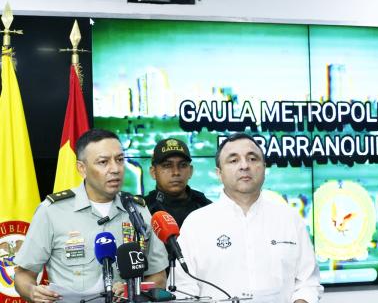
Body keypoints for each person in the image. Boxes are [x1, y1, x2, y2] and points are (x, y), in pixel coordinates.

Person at [14, 129, 169, 303]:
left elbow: (158, 276)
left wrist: (132, 290)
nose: (115, 169)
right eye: (103, 162)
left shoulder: (138, 210)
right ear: (82, 168)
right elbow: (23, 275)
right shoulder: (52, 211)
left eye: (119, 160)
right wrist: (33, 292)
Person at [172, 133, 322, 302]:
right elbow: (183, 289)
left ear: (264, 167)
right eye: (233, 160)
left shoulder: (289, 219)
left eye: (252, 158)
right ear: (219, 173)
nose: (244, 166)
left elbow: (308, 282)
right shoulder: (196, 224)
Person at [145, 138, 211, 227]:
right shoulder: (141, 210)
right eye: (167, 165)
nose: (176, 172)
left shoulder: (207, 208)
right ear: (153, 172)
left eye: (183, 165)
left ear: (190, 171)